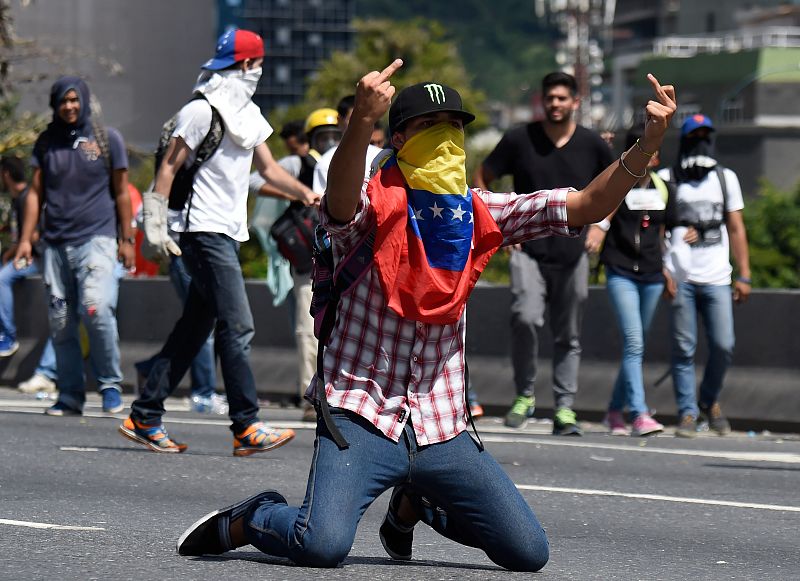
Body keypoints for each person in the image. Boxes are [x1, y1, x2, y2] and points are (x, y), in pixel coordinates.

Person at [175, 61, 676, 569]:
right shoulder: (373, 205)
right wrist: (359, 124)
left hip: (442, 426)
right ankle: (253, 517)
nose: (444, 137)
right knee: (321, 544)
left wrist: (646, 144)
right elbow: (341, 203)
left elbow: (587, 204)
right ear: (398, 138)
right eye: (428, 127)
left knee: (528, 552)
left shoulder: (479, 213)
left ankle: (414, 502)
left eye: (454, 127)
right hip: (362, 414)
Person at [118, 28, 315, 455]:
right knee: (238, 325)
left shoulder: (248, 114)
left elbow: (269, 171)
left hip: (227, 230)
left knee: (195, 327)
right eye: (258, 63)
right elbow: (168, 169)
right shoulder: (200, 111)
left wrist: (306, 193)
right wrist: (154, 223)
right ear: (247, 65)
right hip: (201, 231)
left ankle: (145, 414)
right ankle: (246, 424)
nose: (259, 71)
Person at [473, 72, 614, 434]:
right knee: (525, 318)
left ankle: (565, 408)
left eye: (562, 98)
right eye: (550, 98)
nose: (555, 104)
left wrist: (601, 226)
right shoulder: (520, 139)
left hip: (574, 251)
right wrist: (498, 225)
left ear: (575, 102)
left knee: (568, 334)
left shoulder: (592, 143)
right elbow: (482, 176)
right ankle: (525, 396)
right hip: (528, 251)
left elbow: (616, 183)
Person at [15, 76, 135, 416]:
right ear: (55, 105)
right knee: (61, 321)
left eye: (74, 100)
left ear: (83, 100)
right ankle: (70, 395)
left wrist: (127, 240)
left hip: (97, 239)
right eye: (63, 101)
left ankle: (110, 385)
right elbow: (35, 194)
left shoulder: (106, 138)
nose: (69, 106)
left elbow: (123, 192)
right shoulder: (46, 143)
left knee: (95, 309)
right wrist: (26, 238)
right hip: (54, 245)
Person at [660, 114, 750, 438]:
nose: (700, 140)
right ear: (683, 140)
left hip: (717, 276)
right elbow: (658, 227)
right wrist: (664, 269)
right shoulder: (667, 177)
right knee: (683, 347)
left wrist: (745, 274)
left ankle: (709, 401)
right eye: (693, 134)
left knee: (724, 345)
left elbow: (737, 227)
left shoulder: (726, 178)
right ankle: (686, 413)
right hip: (682, 277)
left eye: (704, 134)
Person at [584, 128, 669, 437]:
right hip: (620, 271)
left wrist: (669, 269)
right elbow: (601, 205)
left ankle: (612, 410)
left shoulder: (663, 187)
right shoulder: (620, 184)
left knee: (637, 345)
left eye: (651, 150)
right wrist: (599, 229)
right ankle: (639, 412)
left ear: (657, 157)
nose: (646, 155)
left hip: (652, 275)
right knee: (633, 343)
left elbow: (664, 233)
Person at [250, 110, 331, 420]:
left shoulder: (354, 159)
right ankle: (311, 398)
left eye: (334, 135)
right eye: (322, 137)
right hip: (311, 261)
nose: (329, 143)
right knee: (308, 330)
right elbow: (254, 180)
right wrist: (299, 195)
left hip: (347, 261)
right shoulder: (299, 164)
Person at [0, 155, 59, 392]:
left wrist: (18, 250)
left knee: (3, 278)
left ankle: (8, 335)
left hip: (39, 258)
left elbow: (35, 234)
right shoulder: (18, 199)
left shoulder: (27, 198)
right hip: (29, 256)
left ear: (6, 173)